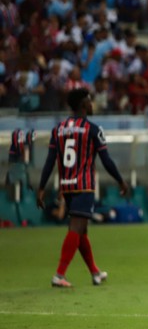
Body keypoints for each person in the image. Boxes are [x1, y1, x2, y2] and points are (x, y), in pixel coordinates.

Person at [36, 88, 131, 288]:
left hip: (67, 186)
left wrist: (42, 187)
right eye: (89, 101)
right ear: (82, 104)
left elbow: (50, 160)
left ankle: (95, 273)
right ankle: (59, 274)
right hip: (84, 185)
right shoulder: (93, 129)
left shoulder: (58, 130)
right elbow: (106, 160)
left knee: (81, 231)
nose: (91, 104)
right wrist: (121, 181)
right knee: (76, 228)